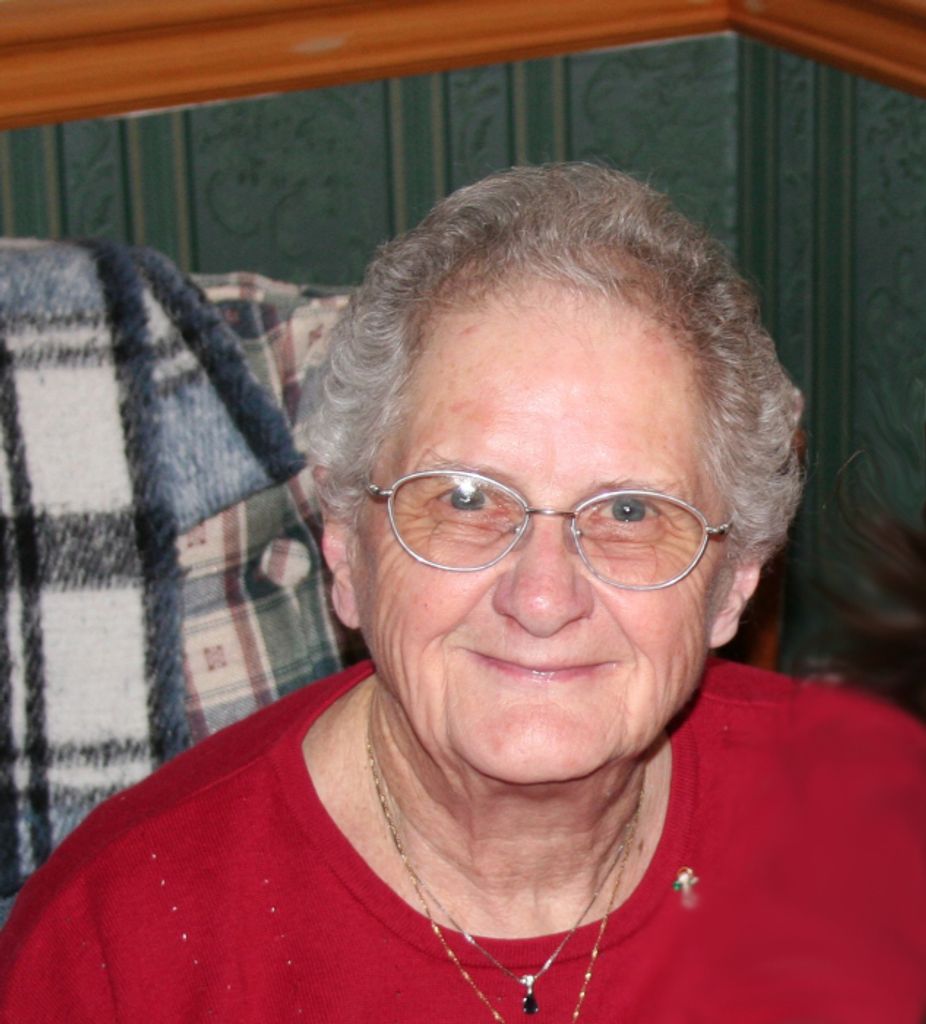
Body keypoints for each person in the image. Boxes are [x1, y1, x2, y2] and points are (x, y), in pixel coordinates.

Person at [1, 163, 924, 1022]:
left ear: (735, 583)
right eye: (467, 500)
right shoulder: (122, 946)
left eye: (630, 512)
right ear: (345, 549)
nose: (543, 597)